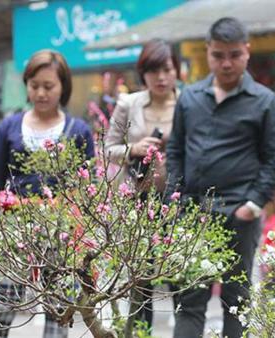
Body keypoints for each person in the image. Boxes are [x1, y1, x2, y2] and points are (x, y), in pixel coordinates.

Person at [166, 17, 275, 338]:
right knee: (189, 301)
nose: (227, 63)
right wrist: (174, 200)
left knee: (236, 302)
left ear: (247, 51)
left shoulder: (265, 101)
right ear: (207, 52)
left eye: (234, 54)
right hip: (194, 215)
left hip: (240, 214)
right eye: (218, 55)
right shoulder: (190, 98)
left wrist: (253, 205)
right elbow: (175, 151)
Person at [0, 50, 95, 338]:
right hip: (14, 231)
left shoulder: (78, 130)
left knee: (58, 312)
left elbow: (89, 189)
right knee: (3, 307)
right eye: (34, 86)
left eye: (49, 86)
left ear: (63, 87)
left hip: (62, 234)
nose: (41, 93)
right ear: (26, 86)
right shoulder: (9, 126)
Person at [105, 39, 180, 333]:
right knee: (140, 281)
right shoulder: (128, 103)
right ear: (143, 74)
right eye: (152, 71)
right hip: (137, 202)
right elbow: (107, 147)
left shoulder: (189, 102)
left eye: (166, 69)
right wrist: (134, 149)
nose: (160, 77)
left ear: (176, 70)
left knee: (180, 277)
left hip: (179, 202)